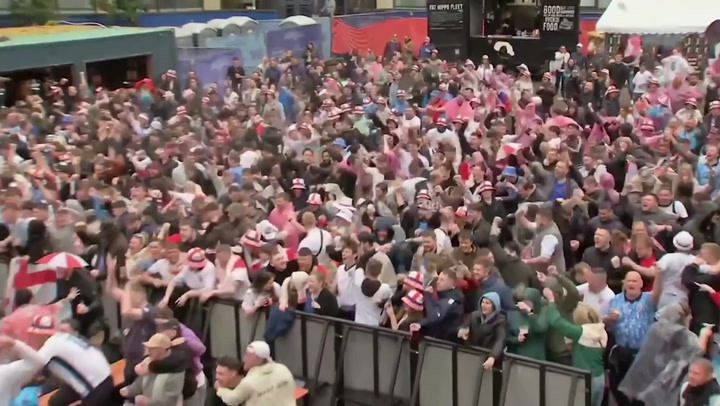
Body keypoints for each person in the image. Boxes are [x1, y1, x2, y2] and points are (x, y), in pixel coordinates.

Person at [215, 341, 295, 406]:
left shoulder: (250, 381)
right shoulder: (283, 369)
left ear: (256, 358)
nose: (244, 359)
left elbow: (232, 400)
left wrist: (220, 389)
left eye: (248, 355)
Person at [120, 333, 186, 406]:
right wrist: (130, 390)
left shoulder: (176, 371)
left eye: (152, 348)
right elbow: (140, 381)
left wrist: (148, 402)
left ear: (161, 349)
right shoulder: (149, 361)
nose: (149, 351)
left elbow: (170, 401)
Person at [457, 292, 506, 370]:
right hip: (473, 355)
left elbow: (500, 340)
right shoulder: (474, 315)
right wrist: (461, 330)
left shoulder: (500, 321)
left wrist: (493, 356)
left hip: (488, 357)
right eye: (482, 302)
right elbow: (464, 325)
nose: (483, 305)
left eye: (487, 303)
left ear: (494, 306)